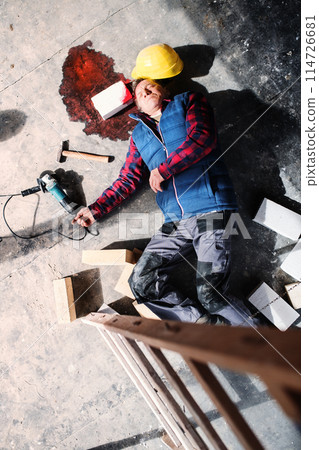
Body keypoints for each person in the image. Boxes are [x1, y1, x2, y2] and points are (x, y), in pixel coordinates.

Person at [72, 79, 239, 324]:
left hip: (210, 208)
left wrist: (164, 170)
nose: (145, 91)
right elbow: (128, 178)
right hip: (175, 222)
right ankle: (204, 326)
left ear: (164, 90)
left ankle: (272, 349)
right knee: (141, 281)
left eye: (150, 86)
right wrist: (95, 210)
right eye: (139, 93)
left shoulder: (187, 101)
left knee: (210, 294)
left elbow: (202, 139)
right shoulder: (138, 136)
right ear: (137, 105)